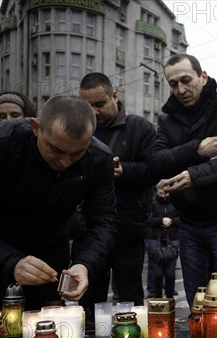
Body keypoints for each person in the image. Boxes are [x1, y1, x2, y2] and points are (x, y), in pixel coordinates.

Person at [0, 96, 117, 314]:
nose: (66, 162)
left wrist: (85, 263)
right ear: (36, 128)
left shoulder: (99, 157)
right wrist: (10, 262)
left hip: (50, 248)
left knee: (47, 327)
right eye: (56, 150)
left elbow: (104, 220)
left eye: (78, 153)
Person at [148, 54, 217, 306]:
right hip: (189, 225)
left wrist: (194, 176)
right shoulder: (167, 119)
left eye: (186, 80)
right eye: (173, 84)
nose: (181, 89)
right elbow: (156, 162)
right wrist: (196, 150)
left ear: (203, 77)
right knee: (197, 303)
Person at [79, 72, 157, 307]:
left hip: (128, 230)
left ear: (115, 96)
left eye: (100, 104)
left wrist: (125, 171)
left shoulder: (140, 127)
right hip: (89, 230)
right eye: (88, 106)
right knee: (90, 296)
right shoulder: (81, 129)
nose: (94, 112)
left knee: (130, 296)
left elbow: (154, 171)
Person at [145, 181, 180, 299]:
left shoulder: (175, 203)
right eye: (161, 192)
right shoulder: (152, 203)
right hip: (155, 237)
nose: (163, 195)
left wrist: (172, 221)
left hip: (172, 236)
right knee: (157, 272)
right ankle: (157, 295)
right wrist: (161, 221)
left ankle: (169, 295)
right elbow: (147, 220)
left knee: (170, 272)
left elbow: (182, 218)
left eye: (166, 193)